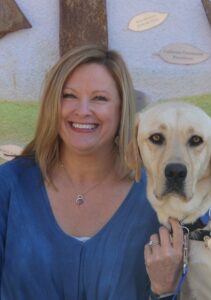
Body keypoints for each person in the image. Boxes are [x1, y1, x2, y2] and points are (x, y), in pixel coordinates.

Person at [0, 45, 183, 300]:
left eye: (100, 98)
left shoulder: (156, 198)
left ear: (121, 110)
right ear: (53, 104)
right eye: (69, 95)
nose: (83, 110)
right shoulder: (9, 186)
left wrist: (164, 291)